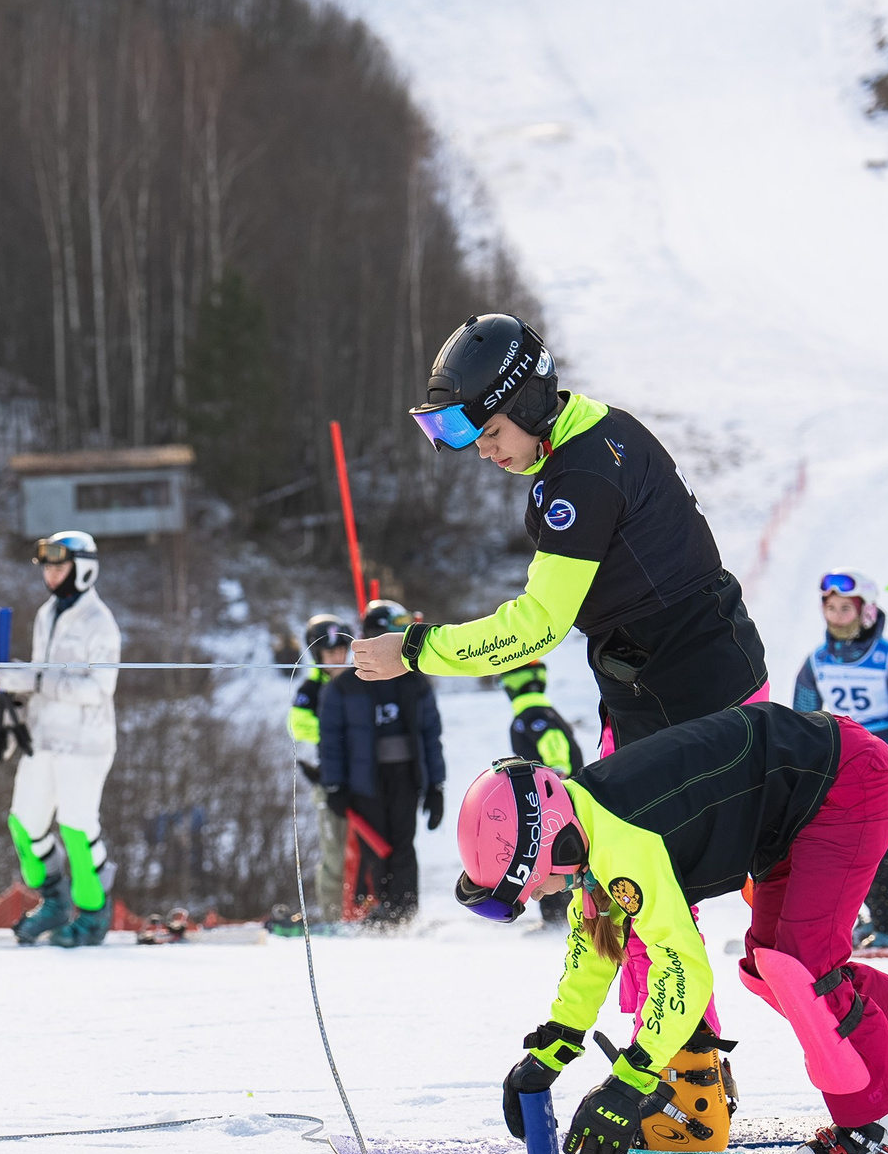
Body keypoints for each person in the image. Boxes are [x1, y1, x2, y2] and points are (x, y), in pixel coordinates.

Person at [461, 705, 888, 1154]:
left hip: (844, 781)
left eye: (530, 885)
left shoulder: (624, 843)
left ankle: (881, 1129)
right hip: (809, 794)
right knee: (770, 965)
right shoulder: (591, 824)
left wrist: (629, 1082)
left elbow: (683, 970)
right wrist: (551, 1050)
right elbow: (593, 948)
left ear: (554, 844)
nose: (538, 897)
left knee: (799, 965)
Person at [362, 314, 766, 758]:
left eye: (492, 431)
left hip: (691, 704)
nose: (484, 450)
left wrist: (412, 650)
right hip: (674, 686)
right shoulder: (596, 430)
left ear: (528, 404)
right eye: (476, 437)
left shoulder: (581, 475)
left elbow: (538, 626)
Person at [0, 531, 121, 948]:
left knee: (77, 828)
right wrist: (14, 692)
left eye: (59, 567)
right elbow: (38, 674)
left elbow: (98, 688)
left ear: (83, 569)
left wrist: (37, 679)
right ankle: (53, 902)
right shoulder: (46, 614)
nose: (51, 575)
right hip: (44, 738)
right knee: (24, 823)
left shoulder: (100, 623)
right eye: (47, 568)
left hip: (84, 743)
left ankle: (93, 913)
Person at [790, 573, 888, 948]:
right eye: (831, 608)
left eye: (846, 608)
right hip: (846, 764)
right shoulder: (818, 661)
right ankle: (866, 919)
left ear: (867, 611)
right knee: (847, 847)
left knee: (883, 844)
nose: (838, 616)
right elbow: (805, 717)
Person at [318, 598, 444, 925]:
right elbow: (330, 741)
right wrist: (334, 785)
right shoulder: (343, 687)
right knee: (373, 848)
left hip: (406, 777)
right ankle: (370, 912)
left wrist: (436, 785)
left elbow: (431, 734)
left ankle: (404, 914)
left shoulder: (416, 682)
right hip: (363, 782)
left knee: (403, 844)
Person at [497, 659, 579, 925]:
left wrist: (556, 775)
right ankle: (560, 916)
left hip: (552, 801)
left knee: (550, 855)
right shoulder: (543, 711)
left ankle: (559, 918)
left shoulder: (531, 716)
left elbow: (554, 747)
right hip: (559, 799)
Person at [290, 614, 354, 923]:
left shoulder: (359, 682)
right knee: (335, 854)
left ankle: (361, 911)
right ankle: (332, 916)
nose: (337, 658)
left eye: (341, 650)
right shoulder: (309, 690)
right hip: (328, 782)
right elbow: (300, 730)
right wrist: (336, 737)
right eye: (329, 653)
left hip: (362, 780)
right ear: (317, 656)